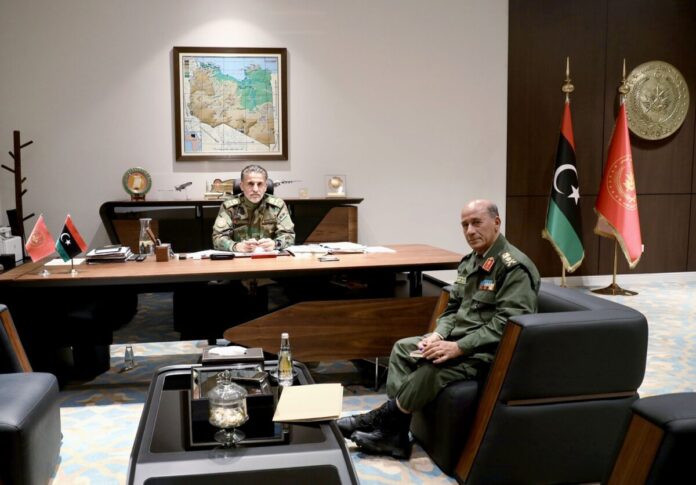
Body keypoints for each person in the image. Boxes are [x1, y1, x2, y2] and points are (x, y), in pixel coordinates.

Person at [336, 199, 540, 459]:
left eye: (476, 222)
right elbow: (453, 307)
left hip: (487, 352)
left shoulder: (513, 267)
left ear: (496, 223)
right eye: (465, 225)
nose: (470, 231)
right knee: (403, 349)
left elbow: (509, 324)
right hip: (457, 339)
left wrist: (458, 347)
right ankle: (396, 432)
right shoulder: (470, 262)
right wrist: (438, 334)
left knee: (432, 369)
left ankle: (380, 421)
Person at [212, 164, 295, 252]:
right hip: (240, 257)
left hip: (269, 256)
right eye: (250, 184)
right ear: (242, 186)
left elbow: (289, 235)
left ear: (265, 187)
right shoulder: (229, 207)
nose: (255, 189)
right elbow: (218, 238)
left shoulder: (277, 206)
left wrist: (275, 244)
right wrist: (236, 246)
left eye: (260, 184)